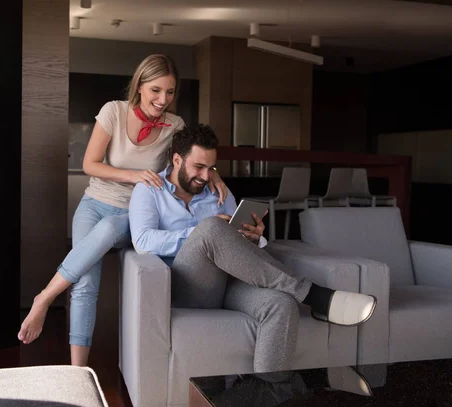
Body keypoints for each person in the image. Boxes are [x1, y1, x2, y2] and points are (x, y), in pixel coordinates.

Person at [17, 54, 228, 366]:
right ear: (140, 85)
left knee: (110, 228)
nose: (163, 99)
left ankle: (45, 295)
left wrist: (215, 176)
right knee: (85, 284)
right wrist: (133, 175)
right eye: (156, 90)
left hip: (135, 213)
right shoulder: (113, 111)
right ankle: (78, 372)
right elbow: (89, 164)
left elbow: (191, 160)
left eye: (170, 92)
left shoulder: (175, 125)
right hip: (93, 204)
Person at [129, 124, 377, 373]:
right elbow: (143, 241)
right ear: (177, 160)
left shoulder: (219, 192)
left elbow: (233, 242)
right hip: (187, 285)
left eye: (211, 168)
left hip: (230, 282)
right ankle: (313, 295)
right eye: (199, 167)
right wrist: (200, 234)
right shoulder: (150, 190)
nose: (206, 176)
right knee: (211, 229)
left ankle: (268, 390)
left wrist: (253, 238)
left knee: (281, 304)